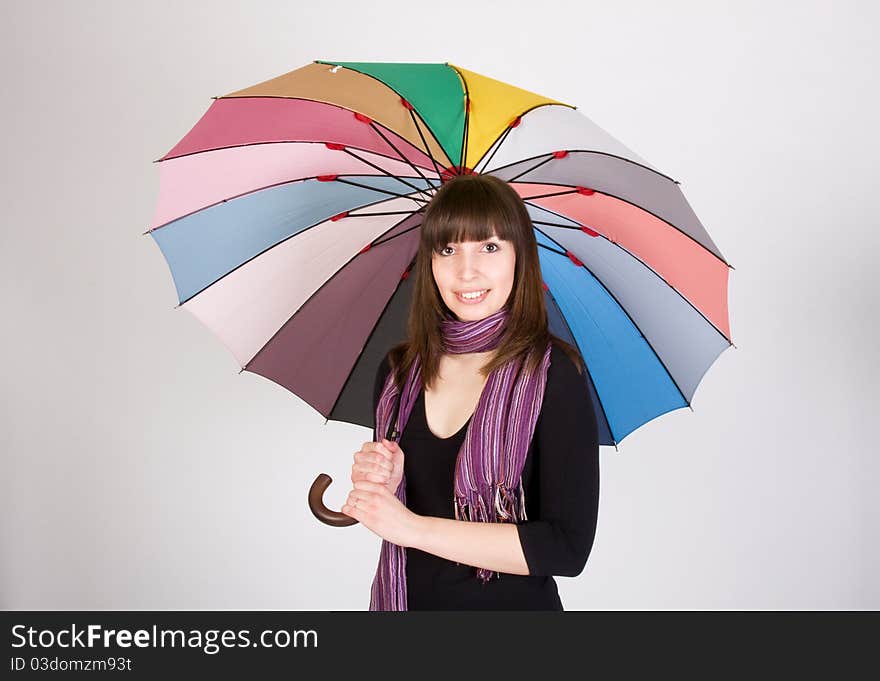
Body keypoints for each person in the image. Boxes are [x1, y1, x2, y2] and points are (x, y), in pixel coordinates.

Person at [340, 173, 600, 611]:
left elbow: (566, 548)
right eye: (448, 249)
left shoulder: (554, 374)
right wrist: (390, 478)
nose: (467, 271)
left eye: (490, 247)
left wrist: (412, 528)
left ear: (521, 257)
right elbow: (405, 507)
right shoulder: (397, 373)